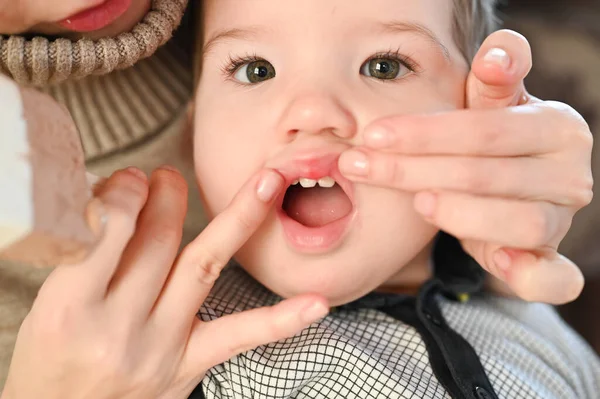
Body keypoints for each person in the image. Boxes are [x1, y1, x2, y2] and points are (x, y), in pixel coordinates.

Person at [0, 0, 597, 398]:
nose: (313, 111)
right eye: (256, 70)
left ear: (473, 111)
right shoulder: (165, 355)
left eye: (384, 66)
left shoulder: (527, 317)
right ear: (190, 129)